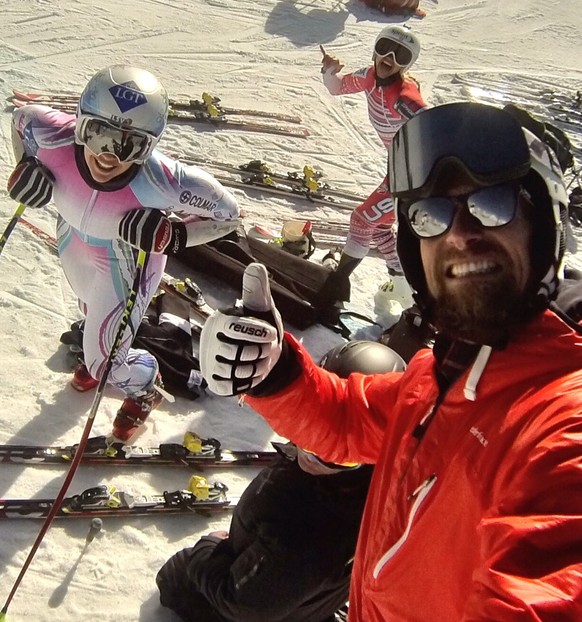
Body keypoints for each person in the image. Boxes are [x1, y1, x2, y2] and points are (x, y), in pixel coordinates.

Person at [198, 102, 582, 620]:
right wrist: (276, 372)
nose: (459, 234)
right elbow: (352, 417)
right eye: (432, 215)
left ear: (546, 226)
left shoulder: (559, 414)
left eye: (494, 205)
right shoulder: (446, 369)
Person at [7, 65, 241, 441]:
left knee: (106, 365)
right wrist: (27, 165)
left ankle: (144, 384)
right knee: (88, 309)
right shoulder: (48, 133)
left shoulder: (164, 179)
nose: (109, 154)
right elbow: (21, 122)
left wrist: (174, 236)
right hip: (74, 241)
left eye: (131, 143)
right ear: (81, 120)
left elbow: (228, 215)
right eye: (97, 133)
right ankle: (98, 353)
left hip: (127, 262)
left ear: (151, 145)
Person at [156, 341, 407, 622]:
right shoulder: (383, 488)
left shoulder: (311, 535)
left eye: (342, 456)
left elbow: (242, 605)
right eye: (313, 435)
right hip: (300, 595)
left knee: (173, 577)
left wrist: (206, 549)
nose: (312, 457)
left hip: (249, 600)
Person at [317, 25, 426, 316]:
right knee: (378, 227)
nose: (389, 57)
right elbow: (337, 87)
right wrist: (329, 71)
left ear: (408, 63)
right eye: (384, 48)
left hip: (415, 175)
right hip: (401, 168)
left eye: (400, 54)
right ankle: (402, 282)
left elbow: (431, 126)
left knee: (362, 220)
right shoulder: (369, 77)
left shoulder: (403, 96)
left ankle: (339, 280)